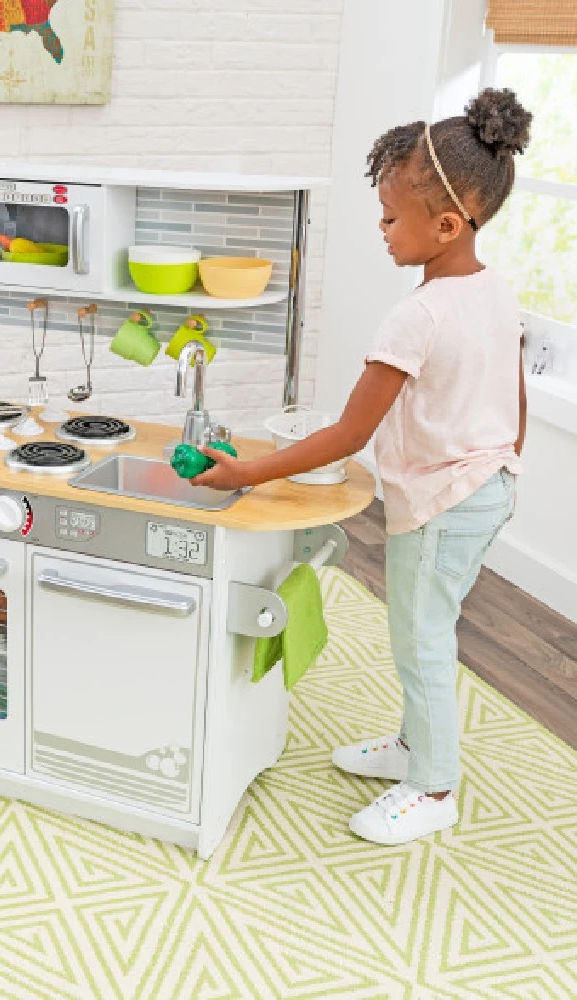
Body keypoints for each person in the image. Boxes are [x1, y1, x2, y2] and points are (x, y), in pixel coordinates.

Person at [192, 88, 533, 846]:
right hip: (487, 488)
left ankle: (433, 786)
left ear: (446, 225)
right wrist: (503, 461)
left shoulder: (418, 315)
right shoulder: (494, 290)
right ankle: (416, 746)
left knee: (422, 639)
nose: (380, 230)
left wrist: (246, 474)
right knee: (425, 625)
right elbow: (515, 398)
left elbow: (349, 433)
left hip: (444, 503)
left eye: (389, 217)